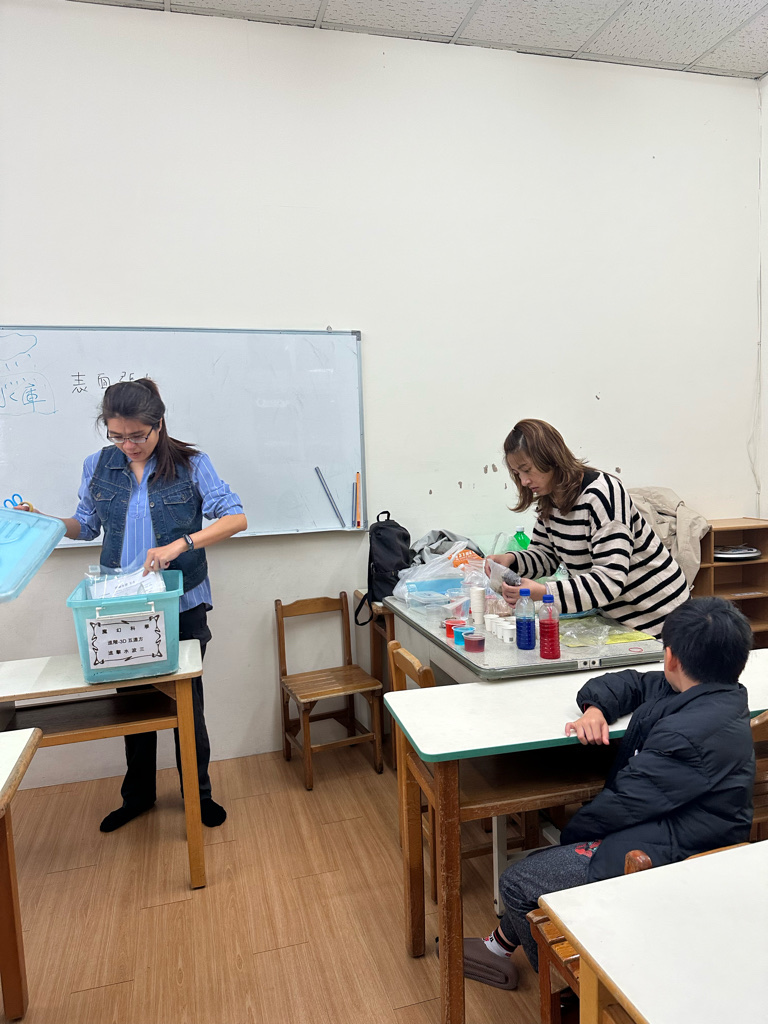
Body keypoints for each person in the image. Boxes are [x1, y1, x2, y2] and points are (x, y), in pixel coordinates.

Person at [461, 597, 755, 991]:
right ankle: (497, 947)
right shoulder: (706, 693)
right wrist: (595, 708)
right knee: (541, 868)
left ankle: (571, 991)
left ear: (670, 658)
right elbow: (631, 682)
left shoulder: (686, 735)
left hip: (673, 852)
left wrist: (570, 837)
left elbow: (620, 808)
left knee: (519, 881)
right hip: (676, 828)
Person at [23, 378, 247, 832]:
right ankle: (138, 796)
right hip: (119, 606)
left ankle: (198, 796)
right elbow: (86, 526)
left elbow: (236, 518)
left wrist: (180, 544)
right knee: (134, 707)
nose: (128, 445)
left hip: (180, 603)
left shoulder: (191, 464)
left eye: (138, 436)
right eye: (117, 436)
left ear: (159, 424)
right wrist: (46, 522)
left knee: (187, 705)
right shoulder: (97, 465)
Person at [487, 419, 689, 636]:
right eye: (517, 474)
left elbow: (609, 580)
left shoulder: (602, 495)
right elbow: (546, 555)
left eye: (527, 470)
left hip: (661, 617)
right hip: (619, 619)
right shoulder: (550, 500)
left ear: (550, 457)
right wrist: (512, 561)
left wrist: (544, 592)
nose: (524, 481)